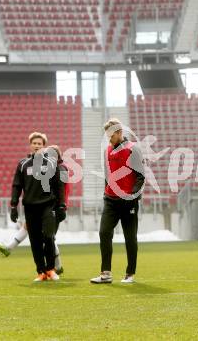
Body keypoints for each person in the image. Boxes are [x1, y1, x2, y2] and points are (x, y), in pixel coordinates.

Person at [0, 145, 69, 276]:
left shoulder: (60, 169)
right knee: (42, 234)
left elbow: (62, 190)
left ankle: (56, 266)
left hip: (54, 208)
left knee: (49, 237)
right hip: (47, 207)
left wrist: (61, 206)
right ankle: (54, 267)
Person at [90, 118, 145, 284]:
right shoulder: (107, 150)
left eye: (111, 135)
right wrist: (106, 192)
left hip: (128, 201)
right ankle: (105, 274)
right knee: (104, 233)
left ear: (119, 132)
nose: (109, 138)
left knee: (130, 237)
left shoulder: (133, 149)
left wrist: (133, 195)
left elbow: (140, 176)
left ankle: (130, 274)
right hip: (111, 200)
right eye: (107, 135)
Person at [9, 132, 65, 282]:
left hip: (48, 206)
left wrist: (61, 206)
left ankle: (51, 269)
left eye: (39, 144)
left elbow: (59, 186)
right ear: (30, 145)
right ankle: (41, 271)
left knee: (48, 237)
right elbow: (16, 186)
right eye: (34, 143)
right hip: (30, 208)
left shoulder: (51, 163)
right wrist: (13, 205)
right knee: (34, 241)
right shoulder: (23, 164)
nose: (36, 146)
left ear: (44, 146)